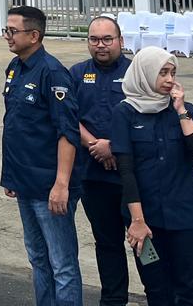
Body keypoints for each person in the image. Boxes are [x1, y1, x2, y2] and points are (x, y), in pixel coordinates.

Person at [110, 46, 193, 306]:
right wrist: (138, 221)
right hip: (145, 219)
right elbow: (126, 170)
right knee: (157, 290)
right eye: (162, 73)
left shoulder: (184, 110)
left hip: (187, 217)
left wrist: (180, 111)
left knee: (191, 290)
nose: (169, 80)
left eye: (173, 73)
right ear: (144, 74)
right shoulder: (125, 112)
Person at [1, 5, 83, 306]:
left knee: (62, 263)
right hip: (25, 181)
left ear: (34, 35)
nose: (7, 36)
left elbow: (68, 132)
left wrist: (61, 184)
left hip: (50, 186)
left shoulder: (52, 72)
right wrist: (11, 176)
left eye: (13, 31)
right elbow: (17, 125)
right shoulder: (15, 67)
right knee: (37, 257)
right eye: (6, 30)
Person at [70, 15, 131, 306]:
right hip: (92, 175)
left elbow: (148, 116)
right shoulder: (77, 73)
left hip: (131, 178)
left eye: (108, 39)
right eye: (94, 40)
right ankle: (113, 299)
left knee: (144, 242)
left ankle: (157, 294)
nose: (101, 46)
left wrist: (114, 147)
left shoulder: (136, 73)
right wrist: (95, 145)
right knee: (107, 244)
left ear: (120, 40)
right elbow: (68, 115)